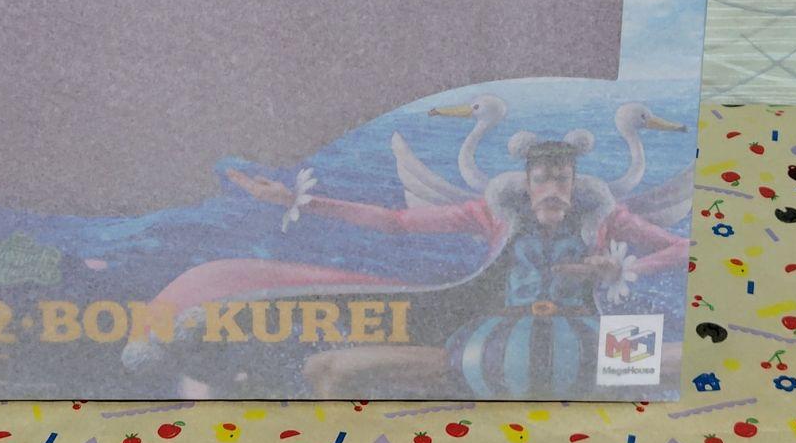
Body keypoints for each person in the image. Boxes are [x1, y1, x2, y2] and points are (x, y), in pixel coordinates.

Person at [226, 139, 687, 397]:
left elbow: (686, 247)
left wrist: (622, 269)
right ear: (527, 185)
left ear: (574, 182)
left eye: (562, 180)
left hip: (596, 347)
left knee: (698, 363)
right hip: (494, 346)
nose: (553, 189)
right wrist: (298, 200)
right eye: (542, 180)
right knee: (326, 368)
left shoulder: (606, 217)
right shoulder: (491, 215)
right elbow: (395, 222)